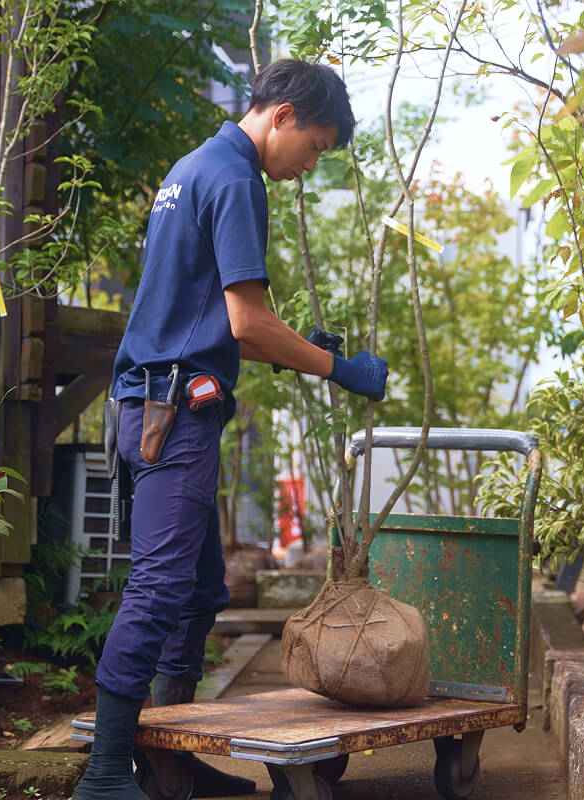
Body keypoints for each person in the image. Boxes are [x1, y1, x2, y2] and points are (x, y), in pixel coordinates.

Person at [73, 60, 386, 800]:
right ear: (283, 115)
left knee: (198, 590)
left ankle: (170, 763)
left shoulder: (191, 168)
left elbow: (212, 322)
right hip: (174, 413)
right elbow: (246, 323)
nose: (309, 166)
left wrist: (304, 348)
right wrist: (342, 371)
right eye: (315, 147)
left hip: (152, 404)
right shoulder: (238, 179)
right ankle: (107, 773)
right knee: (160, 588)